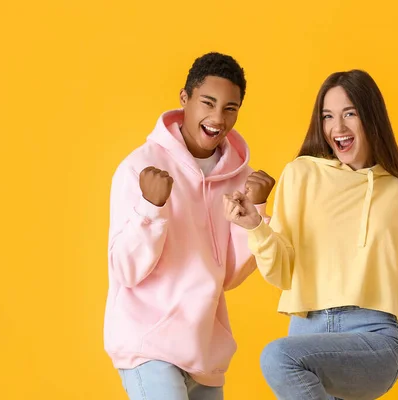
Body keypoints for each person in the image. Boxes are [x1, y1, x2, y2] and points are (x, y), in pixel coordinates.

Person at [224, 69, 398, 400]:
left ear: (370, 118)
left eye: (350, 113)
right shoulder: (301, 175)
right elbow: (281, 270)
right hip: (308, 330)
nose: (338, 127)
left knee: (279, 357)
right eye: (328, 116)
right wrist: (255, 227)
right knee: (285, 358)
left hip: (373, 337)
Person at [104, 52, 275, 400]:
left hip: (205, 354)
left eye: (231, 108)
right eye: (208, 103)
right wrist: (151, 208)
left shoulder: (238, 177)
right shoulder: (140, 167)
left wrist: (255, 211)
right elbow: (125, 269)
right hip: (148, 344)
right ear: (185, 99)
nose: (217, 118)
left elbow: (228, 274)